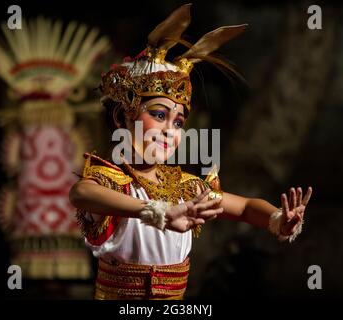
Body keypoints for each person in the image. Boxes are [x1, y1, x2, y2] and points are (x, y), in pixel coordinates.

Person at [69, 3, 312, 300]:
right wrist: (157, 212)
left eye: (179, 121)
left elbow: (246, 208)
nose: (170, 130)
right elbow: (81, 193)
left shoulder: (184, 188)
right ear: (123, 118)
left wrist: (277, 219)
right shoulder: (113, 182)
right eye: (159, 115)